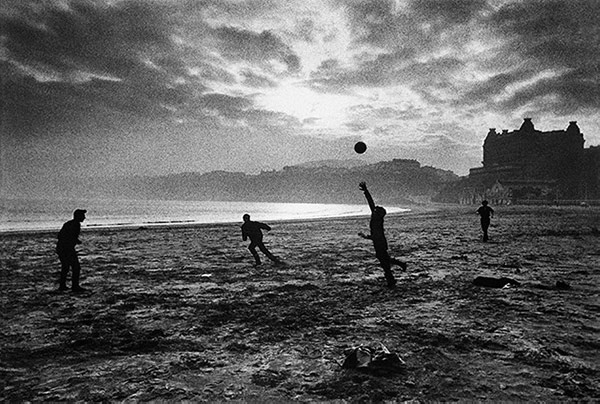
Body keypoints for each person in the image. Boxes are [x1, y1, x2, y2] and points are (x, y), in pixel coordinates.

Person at [358, 182, 406, 288]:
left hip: (379, 243)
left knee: (384, 261)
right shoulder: (376, 217)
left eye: (377, 210)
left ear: (379, 213)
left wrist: (367, 237)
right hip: (379, 242)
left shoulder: (377, 220)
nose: (374, 209)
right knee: (385, 260)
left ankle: (392, 279)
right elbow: (371, 203)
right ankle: (397, 270)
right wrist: (366, 191)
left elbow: (377, 235)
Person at [56, 209, 87, 293]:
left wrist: (75, 240)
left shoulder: (69, 223)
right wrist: (73, 241)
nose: (84, 217)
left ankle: (63, 286)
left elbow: (61, 235)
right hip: (66, 248)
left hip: (62, 247)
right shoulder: (75, 225)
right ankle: (74, 286)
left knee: (65, 267)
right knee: (75, 267)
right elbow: (66, 236)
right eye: (83, 216)